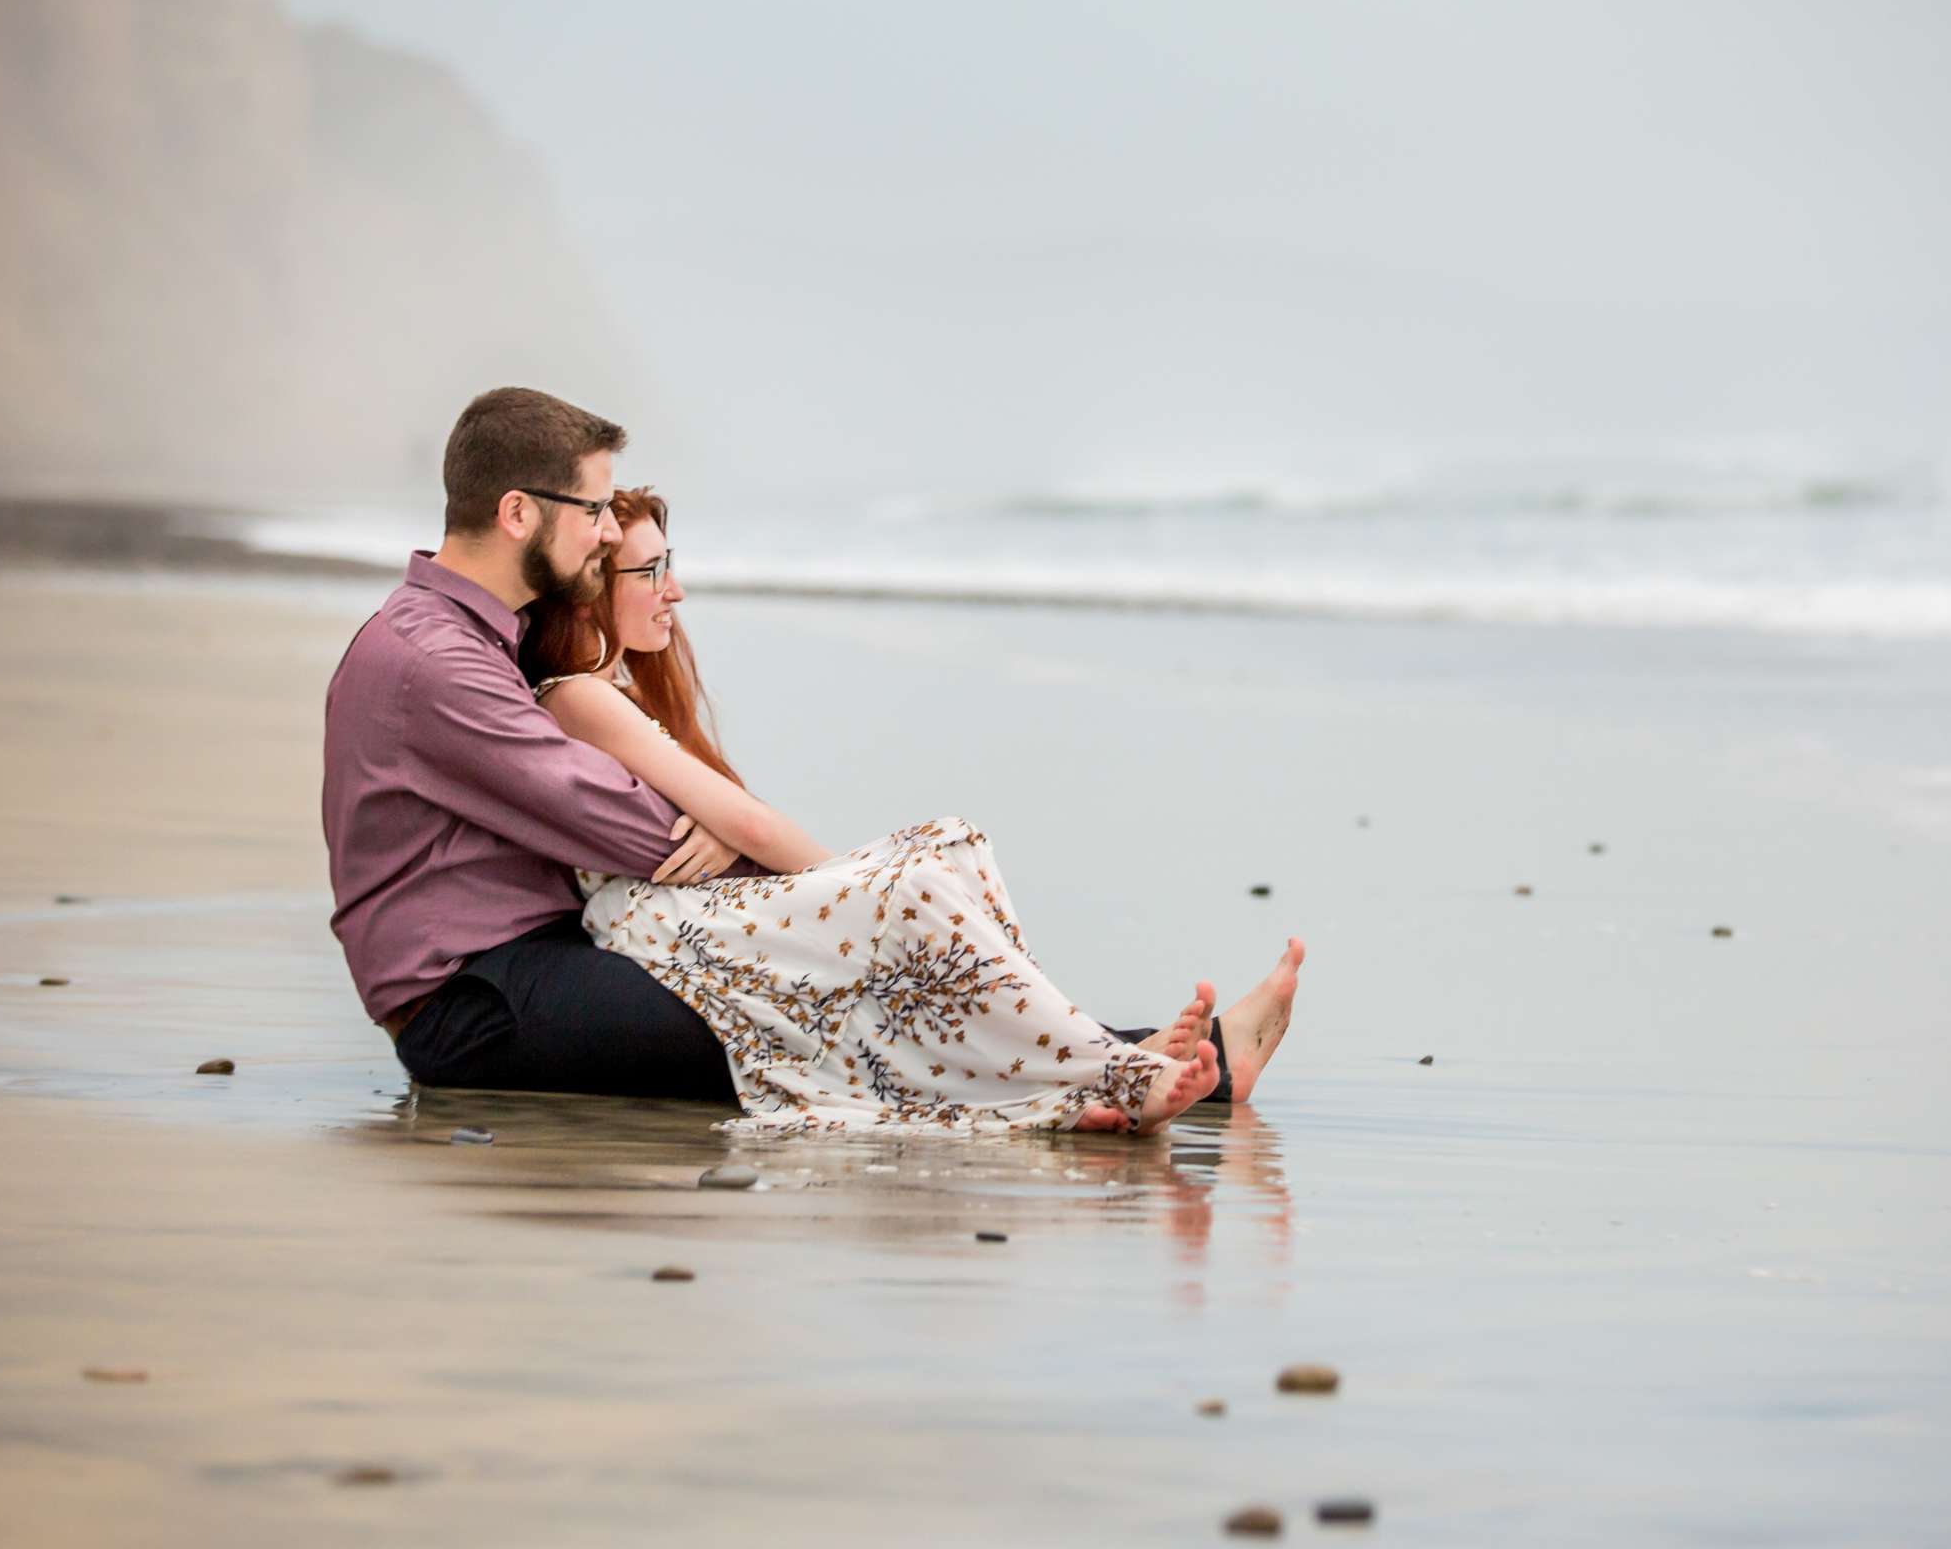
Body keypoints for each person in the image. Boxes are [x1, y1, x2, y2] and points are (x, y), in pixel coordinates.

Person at [320, 386, 1298, 1126]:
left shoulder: (471, 639)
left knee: (820, 992)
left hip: (538, 960)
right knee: (799, 1017)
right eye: (594, 512)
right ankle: (1137, 1070)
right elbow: (639, 828)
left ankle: (1124, 1068)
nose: (610, 533)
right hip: (474, 1003)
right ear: (519, 513)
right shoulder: (435, 664)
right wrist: (810, 884)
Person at [522, 485, 1303, 1133]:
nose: (674, 589)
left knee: (952, 844)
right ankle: (1117, 1067)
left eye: (671, 563)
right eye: (649, 571)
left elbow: (736, 824)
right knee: (909, 889)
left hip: (695, 904)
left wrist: (757, 847)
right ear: (592, 592)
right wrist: (852, 893)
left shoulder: (619, 690)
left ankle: (1078, 1072)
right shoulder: (578, 695)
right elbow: (752, 826)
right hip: (653, 926)